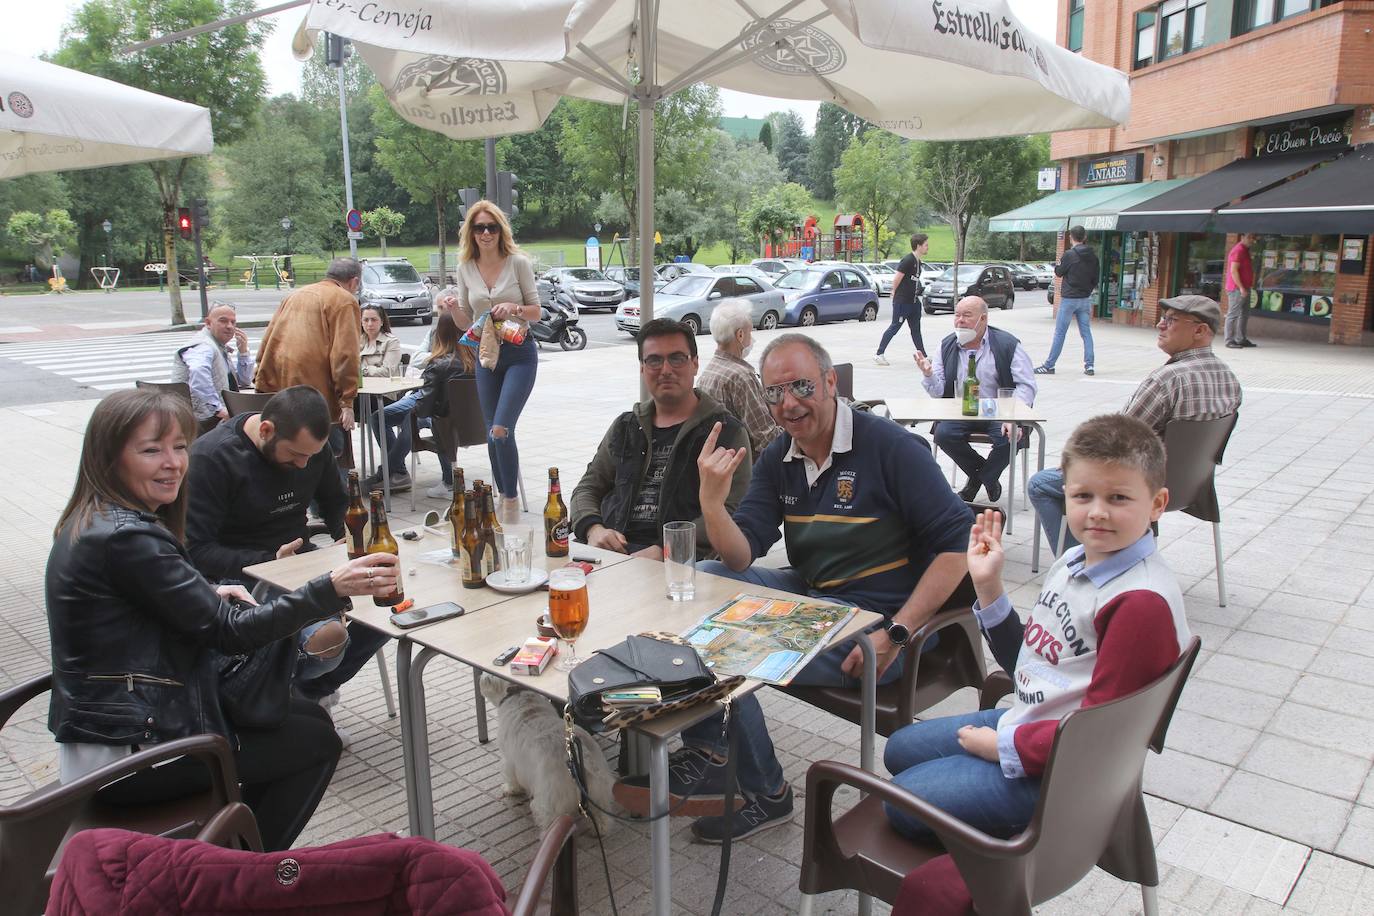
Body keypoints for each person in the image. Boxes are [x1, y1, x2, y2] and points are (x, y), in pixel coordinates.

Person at [615, 334, 972, 842]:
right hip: (815, 597)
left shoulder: (891, 447)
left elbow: (958, 548)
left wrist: (897, 632)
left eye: (801, 385)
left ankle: (763, 790)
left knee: (724, 644)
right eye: (774, 393)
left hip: (882, 621)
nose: (788, 404)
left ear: (831, 382)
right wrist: (712, 505)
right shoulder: (781, 454)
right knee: (702, 584)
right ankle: (711, 750)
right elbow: (741, 555)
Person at [44, 388, 399, 850]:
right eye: (152, 450)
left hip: (118, 721)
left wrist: (207, 591)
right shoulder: (126, 538)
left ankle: (232, 847)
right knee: (315, 744)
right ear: (109, 458)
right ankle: (238, 873)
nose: (173, 462)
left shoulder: (102, 522)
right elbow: (230, 633)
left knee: (307, 717)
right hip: (129, 752)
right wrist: (328, 588)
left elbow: (137, 602)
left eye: (177, 447)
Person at [882, 416, 1192, 914]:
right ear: (1064, 494)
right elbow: (1030, 661)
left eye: (1118, 498)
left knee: (898, 802)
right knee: (899, 748)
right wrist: (988, 586)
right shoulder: (1075, 561)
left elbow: (1098, 737)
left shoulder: (1138, 604)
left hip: (1058, 776)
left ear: (1156, 504)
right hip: (1037, 723)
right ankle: (969, 819)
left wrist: (1001, 745)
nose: (1097, 513)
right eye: (1083, 496)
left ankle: (994, 850)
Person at [184, 385, 389, 715]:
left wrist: (347, 536)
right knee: (327, 639)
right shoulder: (212, 458)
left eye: (312, 455)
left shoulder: (310, 450)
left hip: (301, 561)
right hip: (239, 574)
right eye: (295, 455)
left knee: (390, 602)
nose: (304, 464)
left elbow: (336, 503)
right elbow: (195, 550)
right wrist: (268, 562)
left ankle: (308, 693)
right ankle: (284, 694)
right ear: (266, 430)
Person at [1029, 295, 1242, 553]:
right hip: (1193, 487)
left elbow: (1118, 439)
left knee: (1041, 483)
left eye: (1171, 320)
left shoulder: (1168, 379)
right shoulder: (1229, 379)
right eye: (1163, 318)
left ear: (1200, 330)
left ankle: (1082, 565)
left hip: (1138, 486)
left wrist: (1075, 465)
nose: (1160, 325)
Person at [571, 318, 752, 558]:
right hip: (612, 552)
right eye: (654, 360)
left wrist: (663, 551)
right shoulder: (626, 426)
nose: (666, 370)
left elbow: (730, 512)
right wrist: (593, 529)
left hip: (682, 563)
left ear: (695, 364)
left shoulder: (725, 432)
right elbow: (587, 487)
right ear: (642, 368)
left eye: (677, 358)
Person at [454, 200, 541, 514]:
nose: (486, 233)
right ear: (471, 232)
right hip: (486, 355)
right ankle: (503, 499)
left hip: (519, 352)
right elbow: (466, 321)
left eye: (491, 226)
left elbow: (537, 311)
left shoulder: (517, 263)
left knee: (502, 429)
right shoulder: (465, 267)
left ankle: (510, 501)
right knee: (492, 432)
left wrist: (514, 308)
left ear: (500, 230)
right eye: (480, 227)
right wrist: (452, 308)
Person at [913, 296, 1037, 504]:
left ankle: (979, 479)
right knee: (944, 434)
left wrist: (1013, 417)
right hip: (962, 409)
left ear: (983, 319)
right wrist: (928, 375)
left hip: (999, 410)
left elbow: (1026, 385)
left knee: (1010, 436)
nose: (960, 320)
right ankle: (985, 475)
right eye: (957, 315)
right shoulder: (946, 345)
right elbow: (938, 391)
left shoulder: (1007, 344)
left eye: (967, 315)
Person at [367, 312, 476, 499]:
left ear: (438, 334)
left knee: (410, 418)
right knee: (409, 416)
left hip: (443, 421)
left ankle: (388, 472)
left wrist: (413, 410)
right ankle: (395, 470)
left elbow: (425, 407)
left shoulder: (439, 364)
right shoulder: (477, 362)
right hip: (473, 425)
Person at [254, 258, 363, 442]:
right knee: (331, 451)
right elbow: (345, 355)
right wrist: (347, 401)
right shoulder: (345, 300)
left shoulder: (294, 295)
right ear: (354, 282)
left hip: (282, 392)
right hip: (317, 399)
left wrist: (260, 379)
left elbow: (267, 342)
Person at [697, 300, 782, 458]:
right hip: (746, 469)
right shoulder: (740, 377)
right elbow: (766, 439)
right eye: (750, 332)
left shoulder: (707, 374)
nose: (751, 338)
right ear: (740, 335)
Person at [169, 302, 254, 436]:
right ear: (208, 323)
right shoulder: (204, 345)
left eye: (233, 322)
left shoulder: (217, 346)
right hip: (204, 421)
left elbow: (244, 381)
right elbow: (198, 371)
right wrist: (217, 410)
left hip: (216, 416)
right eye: (223, 321)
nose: (230, 326)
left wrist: (243, 352)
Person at [1036, 225, 1098, 376]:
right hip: (1084, 299)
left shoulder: (1069, 255)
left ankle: (1049, 365)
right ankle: (1089, 366)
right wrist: (1087, 291)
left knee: (1060, 333)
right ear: (1084, 238)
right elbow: (1095, 278)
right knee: (1086, 333)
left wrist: (1058, 264)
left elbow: (1059, 272)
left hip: (1069, 299)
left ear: (1071, 238)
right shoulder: (1093, 256)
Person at [874, 233, 929, 366]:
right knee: (895, 327)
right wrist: (893, 292)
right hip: (903, 302)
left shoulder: (918, 262)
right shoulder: (908, 260)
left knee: (916, 330)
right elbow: (897, 278)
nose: (928, 247)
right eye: (926, 245)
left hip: (914, 302)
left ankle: (923, 356)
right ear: (918, 246)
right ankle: (879, 354)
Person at [1224, 232, 1259, 349]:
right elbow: (1234, 271)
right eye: (1249, 237)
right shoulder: (1238, 250)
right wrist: (1241, 287)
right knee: (1233, 314)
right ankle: (1229, 340)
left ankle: (1241, 339)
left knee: (1245, 314)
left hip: (1244, 287)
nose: (1251, 240)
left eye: (1253, 238)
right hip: (1236, 289)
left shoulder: (1245, 250)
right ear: (1242, 237)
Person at [359, 304, 402, 378]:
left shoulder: (391, 342)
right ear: (361, 322)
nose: (369, 324)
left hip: (385, 387)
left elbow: (387, 372)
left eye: (374, 320)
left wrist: (363, 370)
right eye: (366, 320)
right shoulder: (356, 341)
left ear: (382, 322)